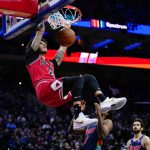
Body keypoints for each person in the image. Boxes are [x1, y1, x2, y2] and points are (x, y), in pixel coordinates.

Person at [25, 21, 127, 130]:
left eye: (45, 43)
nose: (44, 44)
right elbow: (38, 34)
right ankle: (78, 117)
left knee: (88, 78)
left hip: (54, 96)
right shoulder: (32, 57)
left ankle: (103, 100)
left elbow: (63, 48)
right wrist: (42, 23)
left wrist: (66, 30)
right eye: (41, 43)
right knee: (77, 79)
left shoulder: (50, 64)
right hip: (44, 88)